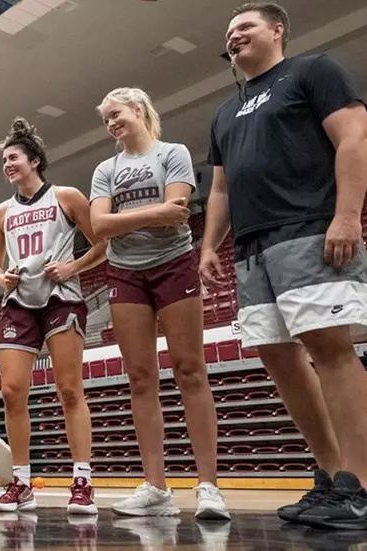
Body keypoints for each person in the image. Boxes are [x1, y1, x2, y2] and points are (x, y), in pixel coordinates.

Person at [201, 2, 367, 530]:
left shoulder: (314, 70)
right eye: (229, 32)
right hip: (250, 247)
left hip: (310, 228)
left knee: (329, 349)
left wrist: (347, 214)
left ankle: (361, 486)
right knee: (278, 358)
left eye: (245, 26)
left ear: (278, 30)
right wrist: (209, 246)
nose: (235, 36)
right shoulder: (225, 112)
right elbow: (221, 188)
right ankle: (330, 474)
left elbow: (353, 137)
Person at [89, 87, 229, 520]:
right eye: (106, 119)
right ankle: (156, 487)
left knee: (190, 369)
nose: (111, 123)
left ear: (138, 109)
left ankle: (208, 485)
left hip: (173, 264)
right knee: (140, 379)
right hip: (124, 273)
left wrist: (124, 220)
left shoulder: (174, 152)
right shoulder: (105, 169)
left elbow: (179, 211)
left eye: (116, 114)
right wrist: (153, 214)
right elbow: (98, 224)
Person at [0, 117, 106, 514]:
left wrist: (73, 268)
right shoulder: (0, 211)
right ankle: (21, 483)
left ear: (34, 160)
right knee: (11, 391)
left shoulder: (67, 196)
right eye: (4, 159)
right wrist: (2, 277)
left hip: (61, 297)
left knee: (70, 390)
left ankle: (82, 479)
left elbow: (102, 244)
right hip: (19, 301)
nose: (7, 164)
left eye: (13, 157)